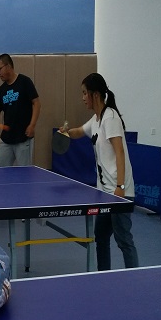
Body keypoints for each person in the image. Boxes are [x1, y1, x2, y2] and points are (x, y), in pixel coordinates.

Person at [61, 72, 139, 271]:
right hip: (105, 193)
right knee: (101, 237)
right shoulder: (96, 119)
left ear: (95, 94)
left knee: (124, 240)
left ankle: (135, 277)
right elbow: (79, 131)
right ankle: (104, 276)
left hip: (119, 192)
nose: (83, 97)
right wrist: (66, 132)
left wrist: (120, 187)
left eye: (84, 93)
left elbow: (120, 152)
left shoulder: (110, 117)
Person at [0, 53, 40, 166]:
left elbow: (37, 103)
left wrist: (32, 125)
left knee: (24, 173)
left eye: (0, 69)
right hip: (6, 139)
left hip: (23, 137)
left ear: (8, 66)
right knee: (0, 171)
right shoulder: (1, 90)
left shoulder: (25, 82)